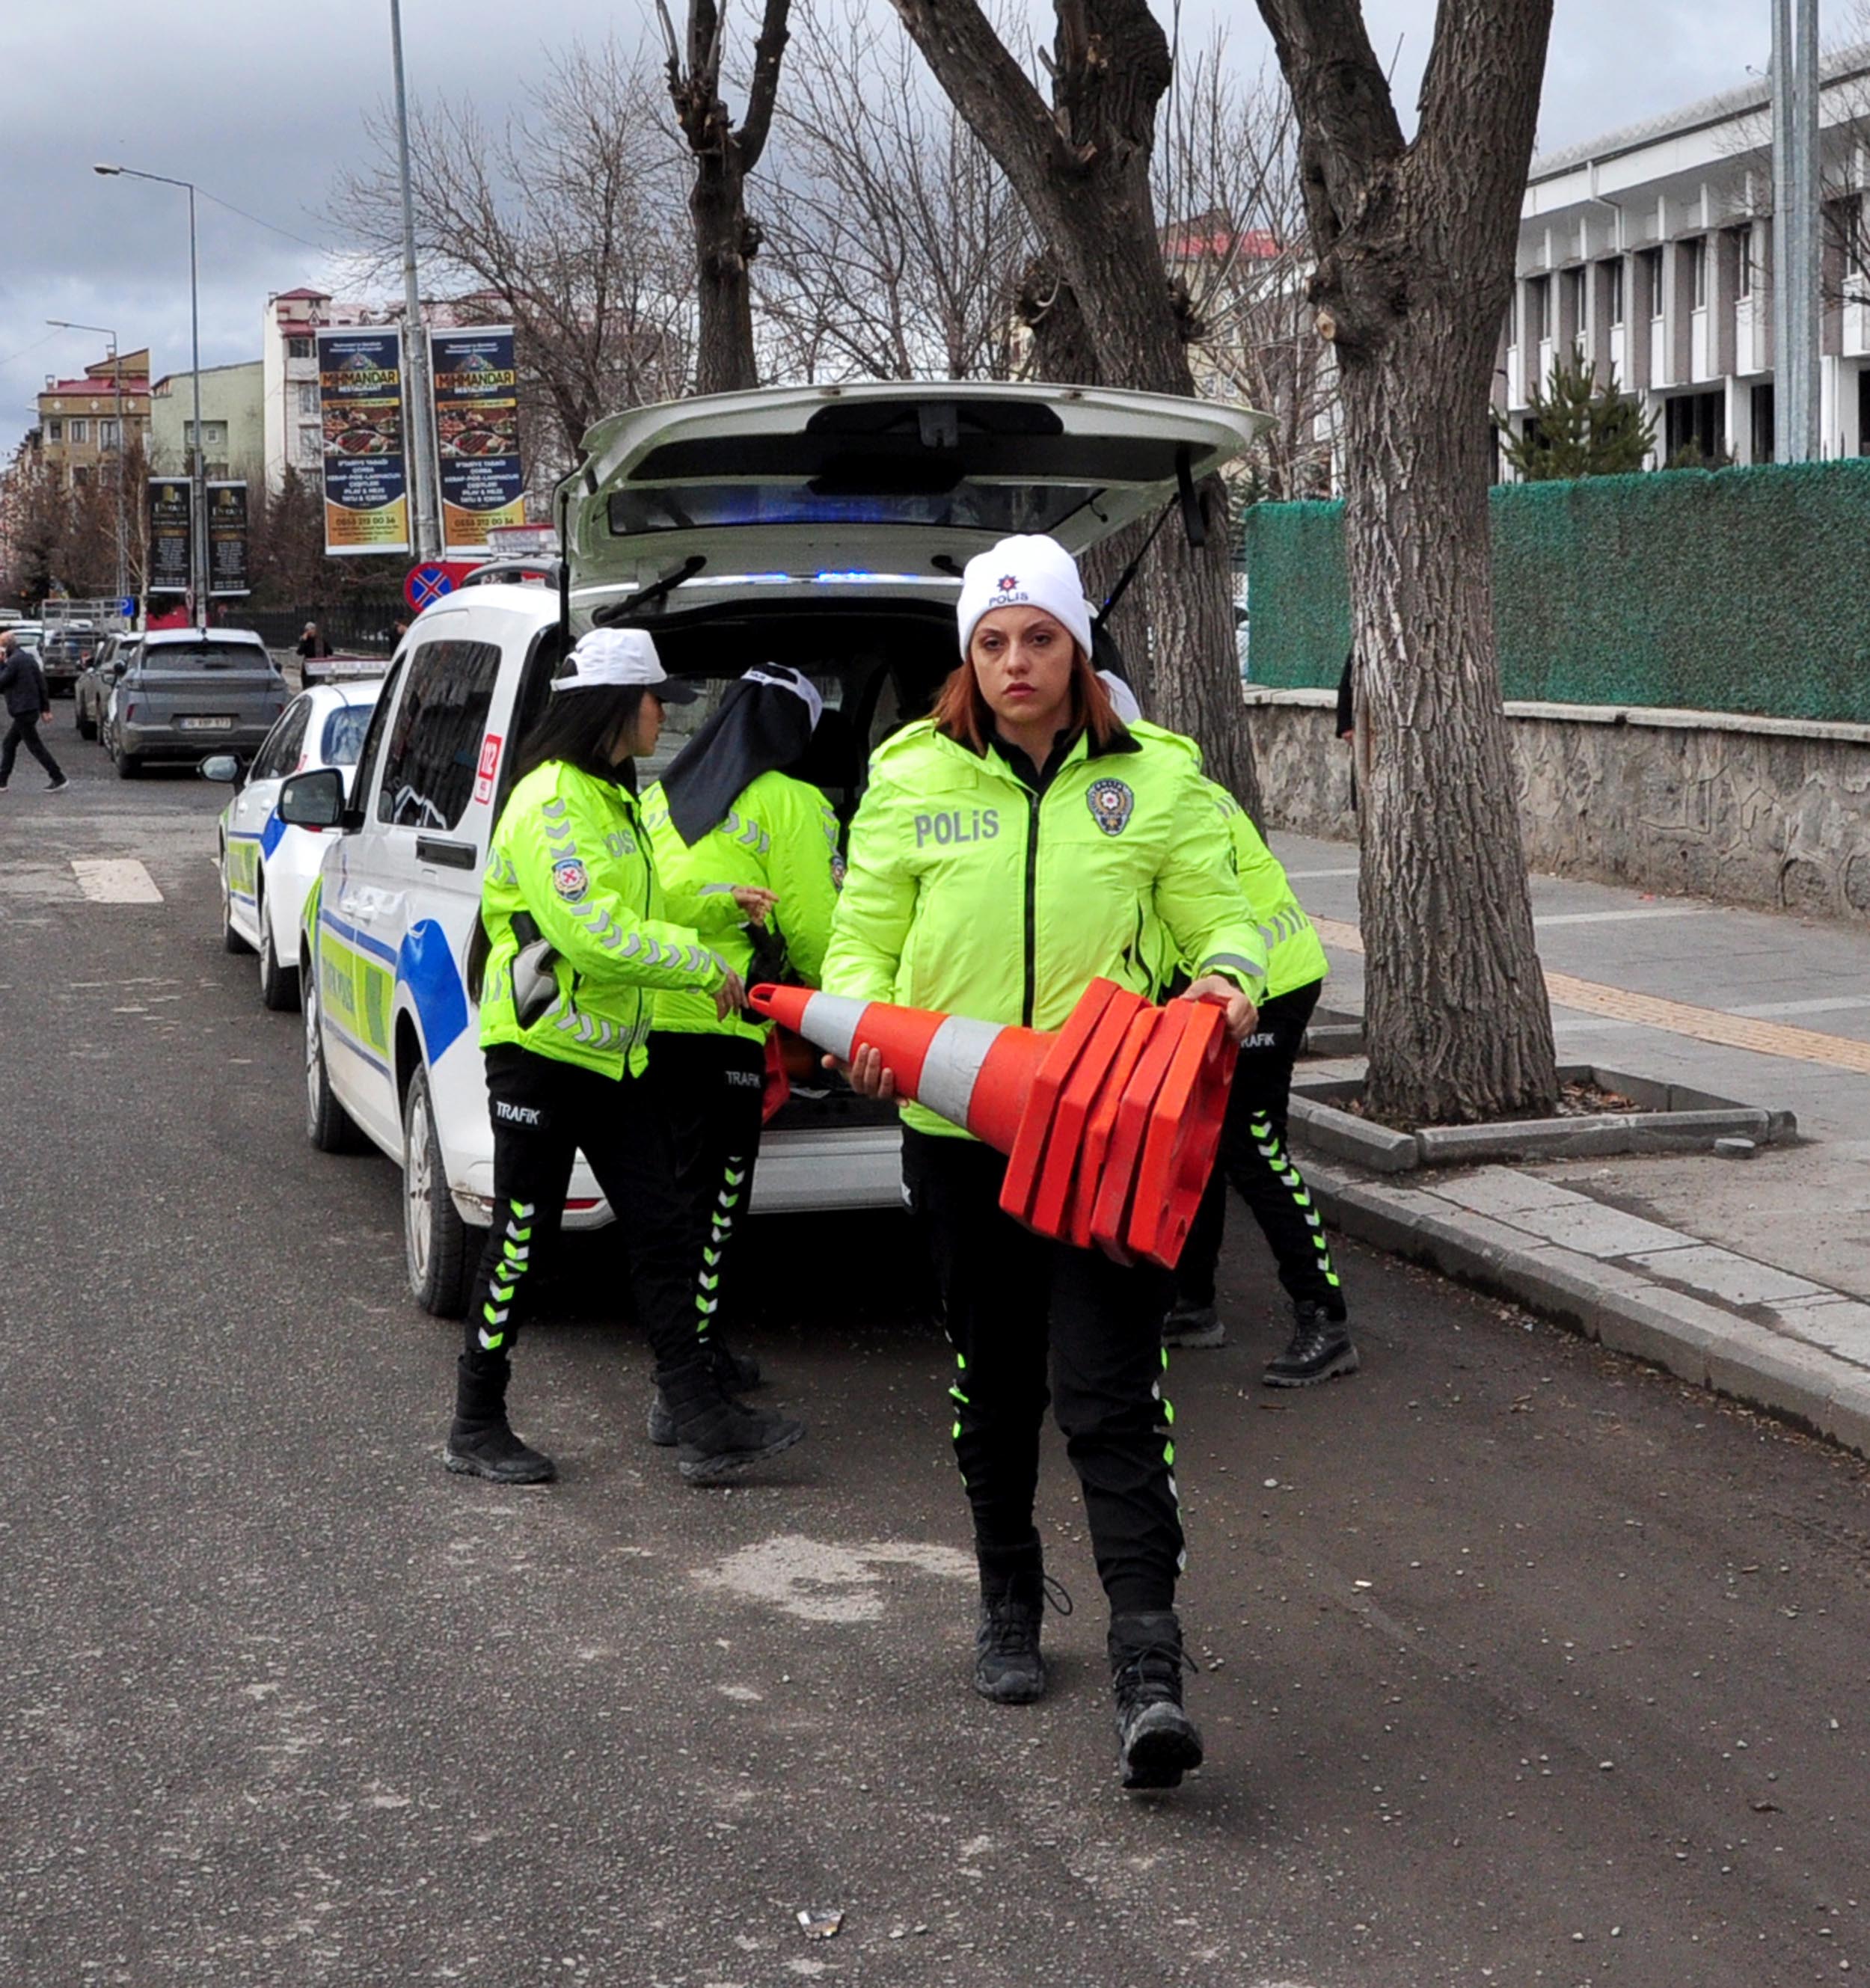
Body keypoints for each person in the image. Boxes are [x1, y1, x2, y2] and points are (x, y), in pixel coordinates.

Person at [821, 533, 1266, 1792]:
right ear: (969, 655)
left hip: (1103, 1135)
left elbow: (1221, 917)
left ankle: (1148, 1662)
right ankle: (1009, 1593)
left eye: (1041, 637)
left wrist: (1228, 981)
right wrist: (863, 1028)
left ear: (1079, 646)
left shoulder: (1155, 777)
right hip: (960, 1140)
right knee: (998, 1379)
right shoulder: (909, 773)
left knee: (1115, 1393)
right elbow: (864, 937)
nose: (1017, 661)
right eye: (993, 641)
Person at [452, 626, 807, 1489]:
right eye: (657, 701)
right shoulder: (552, 800)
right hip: (539, 1054)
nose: (665, 716)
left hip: (612, 1057)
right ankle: (475, 1421)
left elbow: (642, 894)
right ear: (617, 706)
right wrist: (703, 962)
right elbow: (593, 933)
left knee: (664, 1229)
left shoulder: (610, 796)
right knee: (523, 1242)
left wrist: (719, 897)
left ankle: (700, 1418)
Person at [640, 665, 843, 1445]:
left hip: (644, 1027)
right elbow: (818, 926)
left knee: (677, 1202)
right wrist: (846, 1012)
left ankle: (703, 1357)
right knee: (715, 1207)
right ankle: (685, 1396)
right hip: (720, 1024)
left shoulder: (662, 798)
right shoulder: (792, 802)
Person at [0, 633, 68, 793]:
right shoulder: (27, 658)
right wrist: (45, 709)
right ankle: (2, 781)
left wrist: (1, 664)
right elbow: (41, 683)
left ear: (6, 647)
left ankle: (58, 777)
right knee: (9, 743)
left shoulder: (14, 662)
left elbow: (2, 682)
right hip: (29, 709)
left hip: (23, 710)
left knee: (35, 746)